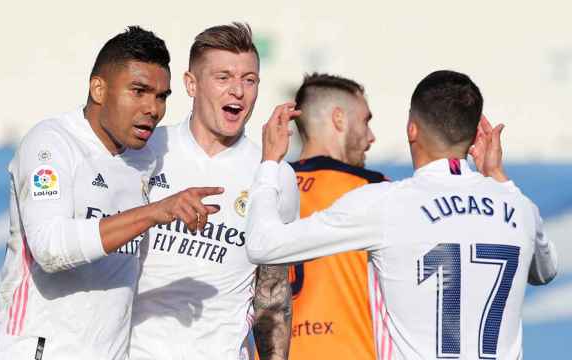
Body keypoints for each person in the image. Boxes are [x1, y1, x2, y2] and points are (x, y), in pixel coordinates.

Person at [246, 70, 558, 359]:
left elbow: (263, 245)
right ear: (474, 132)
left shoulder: (385, 203)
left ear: (412, 129)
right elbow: (546, 270)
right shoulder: (519, 206)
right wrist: (498, 175)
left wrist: (270, 164)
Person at [0, 26, 222, 360]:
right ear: (98, 88)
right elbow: (50, 249)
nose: (152, 108)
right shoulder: (51, 143)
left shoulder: (147, 155)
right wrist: (155, 212)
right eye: (138, 91)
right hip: (39, 351)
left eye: (161, 96)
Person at [130, 23, 299, 360]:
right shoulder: (145, 152)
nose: (238, 90)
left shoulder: (275, 175)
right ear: (191, 84)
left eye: (249, 80)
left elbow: (272, 295)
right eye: (223, 77)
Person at [287, 73, 385, 359]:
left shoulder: (263, 187)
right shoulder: (373, 190)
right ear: (339, 119)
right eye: (366, 120)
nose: (371, 136)